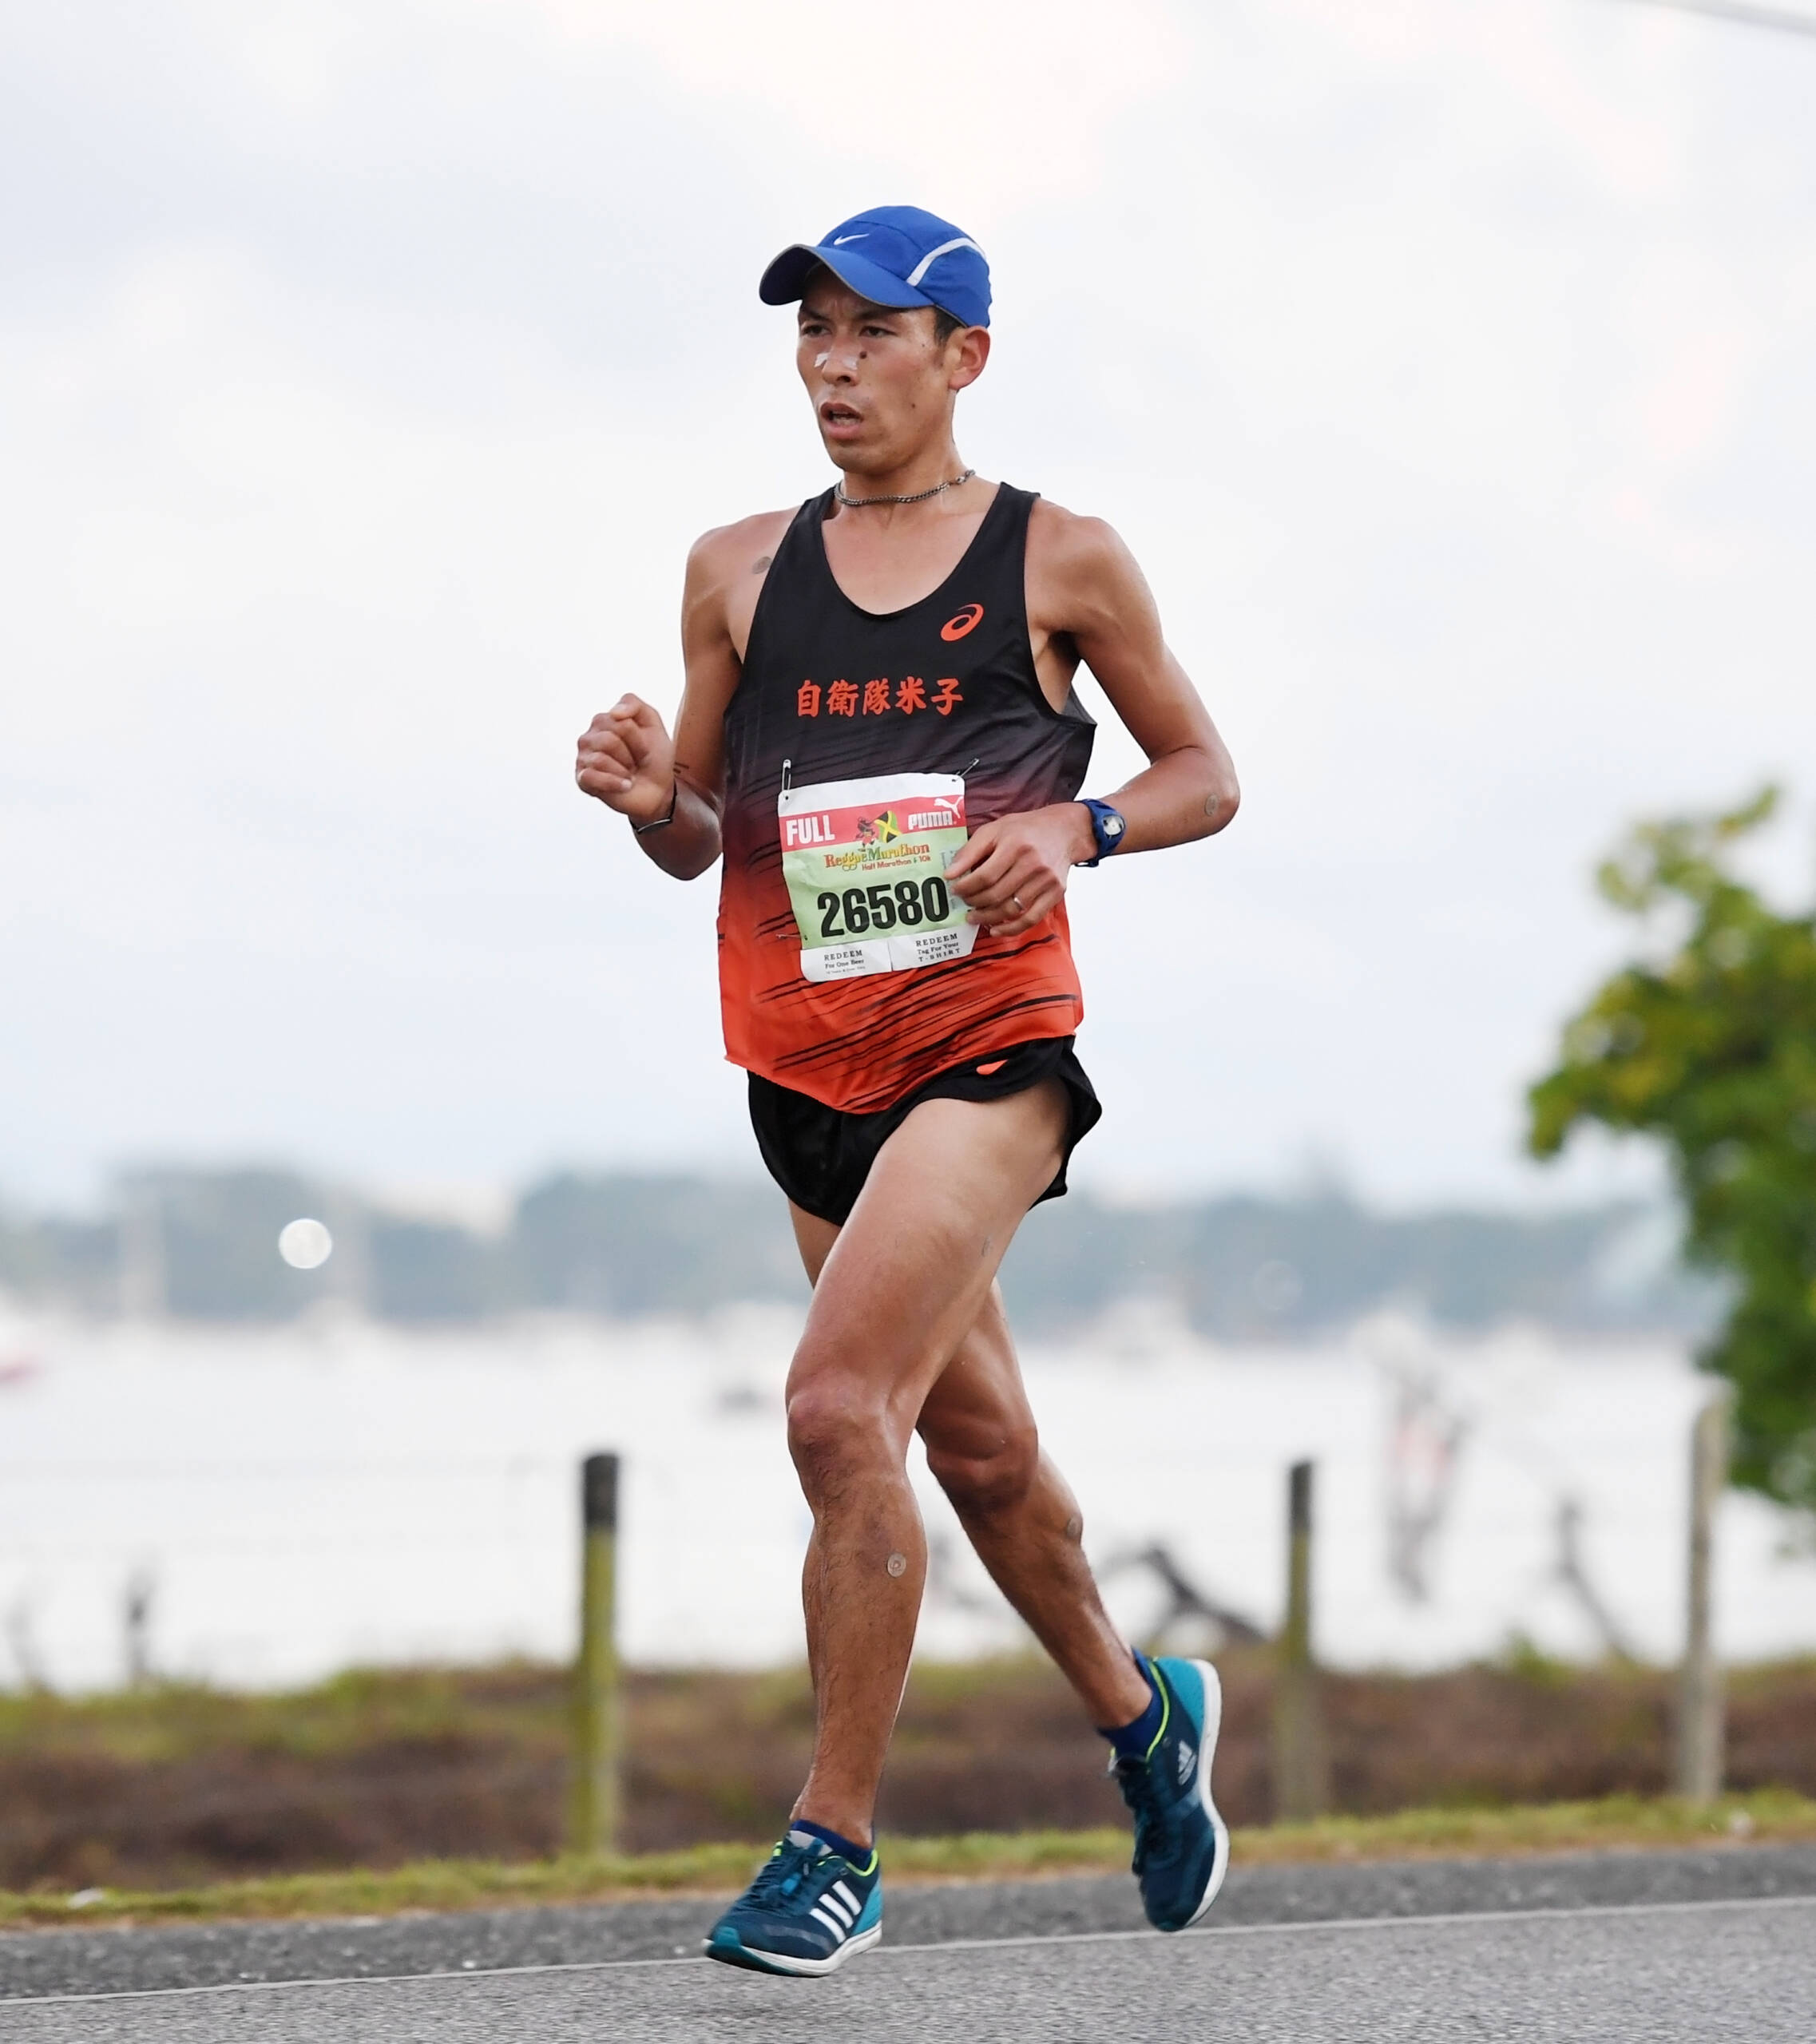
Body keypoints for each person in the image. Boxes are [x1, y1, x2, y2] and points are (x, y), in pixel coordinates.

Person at [575, 204, 1240, 1977]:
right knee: (981, 1449)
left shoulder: (1059, 557)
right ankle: (1146, 1719)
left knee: (831, 1408)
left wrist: (1077, 825)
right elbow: (702, 831)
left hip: (987, 1047)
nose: (835, 364)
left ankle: (834, 1847)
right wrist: (649, 801)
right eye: (815, 332)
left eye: (875, 331)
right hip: (805, 1064)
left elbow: (1203, 771)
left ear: (966, 357)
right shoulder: (735, 568)